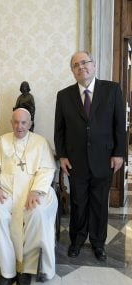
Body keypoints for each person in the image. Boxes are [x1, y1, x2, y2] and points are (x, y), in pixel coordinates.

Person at [54, 51, 126, 261]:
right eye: (76, 65)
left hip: (104, 159)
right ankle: (76, 240)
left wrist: (119, 153)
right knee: (78, 202)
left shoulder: (112, 90)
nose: (81, 67)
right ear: (72, 71)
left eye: (85, 62)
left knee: (99, 203)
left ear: (93, 65)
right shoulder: (64, 95)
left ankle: (98, 243)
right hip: (76, 161)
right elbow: (59, 129)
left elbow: (119, 125)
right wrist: (63, 156)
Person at [0, 108, 57, 285]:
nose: (20, 126)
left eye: (24, 122)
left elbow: (48, 169)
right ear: (11, 123)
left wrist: (36, 190)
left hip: (34, 190)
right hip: (6, 191)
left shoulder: (40, 142)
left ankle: (27, 269)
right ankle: (7, 272)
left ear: (30, 123)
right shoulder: (2, 140)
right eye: (16, 122)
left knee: (37, 212)